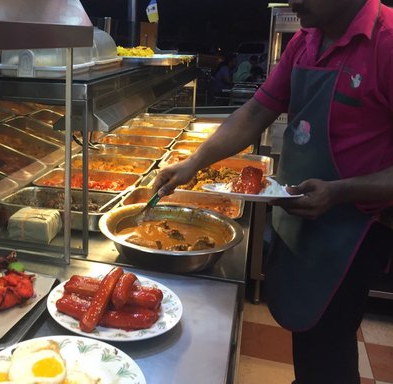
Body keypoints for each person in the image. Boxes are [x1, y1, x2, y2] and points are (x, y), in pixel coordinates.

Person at [153, 0, 393, 383]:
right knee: (310, 337)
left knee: (329, 345)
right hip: (301, 216)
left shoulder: (386, 41)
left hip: (354, 229)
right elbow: (254, 113)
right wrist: (193, 163)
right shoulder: (305, 41)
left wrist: (340, 192)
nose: (292, 1)